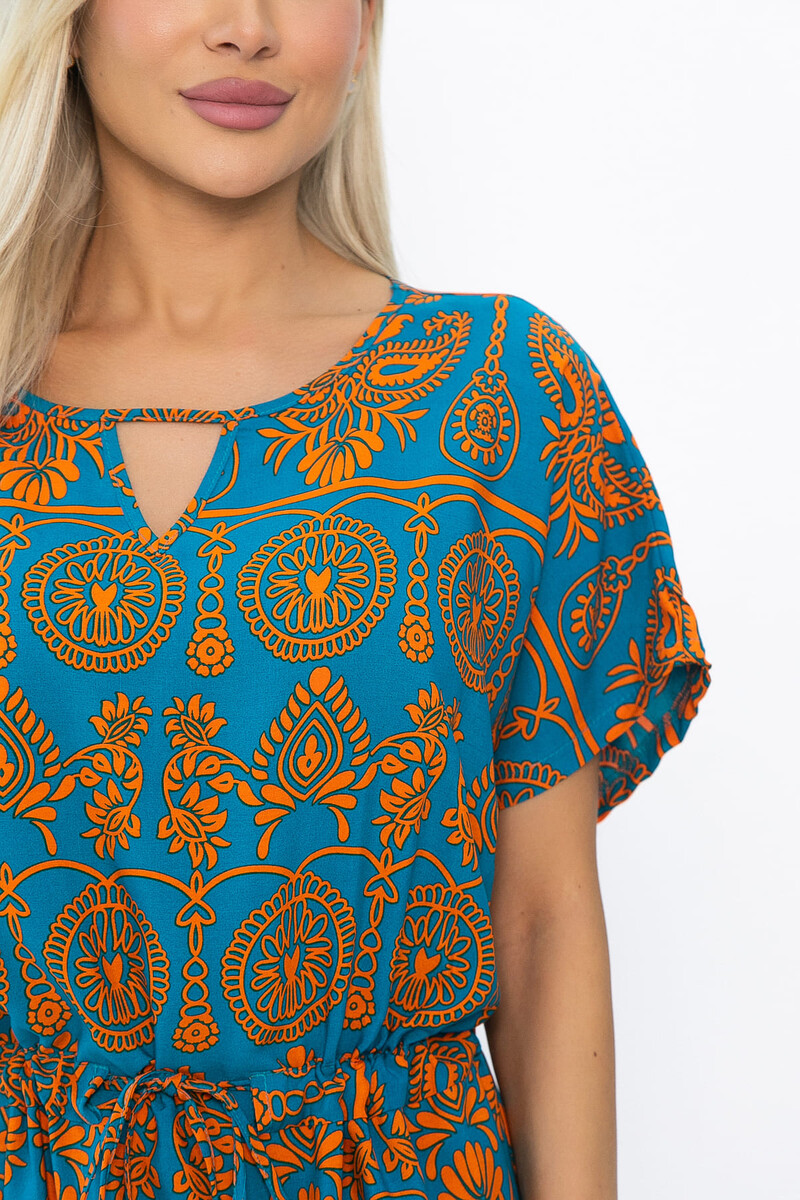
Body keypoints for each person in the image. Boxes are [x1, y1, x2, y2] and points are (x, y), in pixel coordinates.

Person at [0, 3, 711, 1199]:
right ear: (67, 24)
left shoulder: (499, 396)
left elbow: (540, 920)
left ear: (367, 28)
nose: (246, 28)